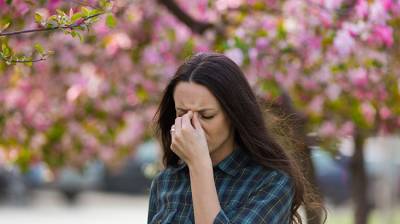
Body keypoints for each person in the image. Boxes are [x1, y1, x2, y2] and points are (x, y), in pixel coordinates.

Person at [148, 52, 315, 224]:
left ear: (234, 115)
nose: (192, 126)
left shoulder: (271, 183)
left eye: (206, 115)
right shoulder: (166, 181)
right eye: (182, 113)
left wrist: (199, 165)